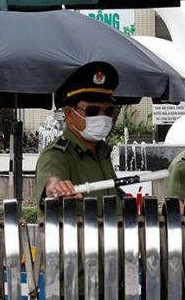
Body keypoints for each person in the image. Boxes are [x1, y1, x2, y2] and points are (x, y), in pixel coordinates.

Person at [36, 62, 121, 200]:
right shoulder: (55, 155)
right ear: (69, 114)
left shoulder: (102, 152)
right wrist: (55, 187)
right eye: (92, 111)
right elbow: (52, 179)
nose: (102, 117)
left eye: (108, 110)